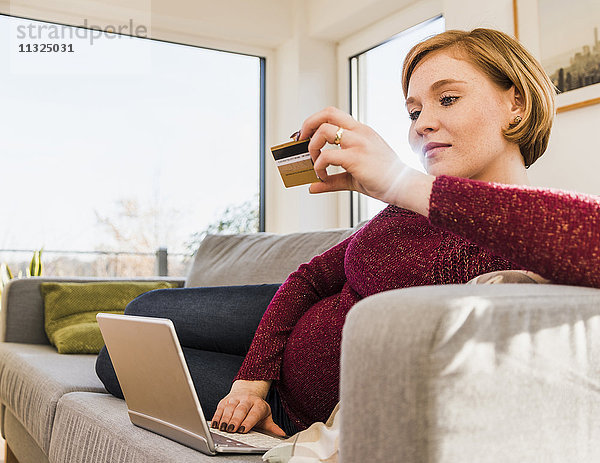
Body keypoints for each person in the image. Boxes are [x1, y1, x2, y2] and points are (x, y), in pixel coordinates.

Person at [96, 28, 600, 439]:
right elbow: (312, 278)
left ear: (516, 105)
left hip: (294, 410)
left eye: (447, 98)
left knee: (112, 362)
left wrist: (404, 182)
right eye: (414, 111)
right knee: (145, 311)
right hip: (280, 337)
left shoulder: (528, 235)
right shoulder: (402, 213)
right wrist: (252, 377)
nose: (422, 124)